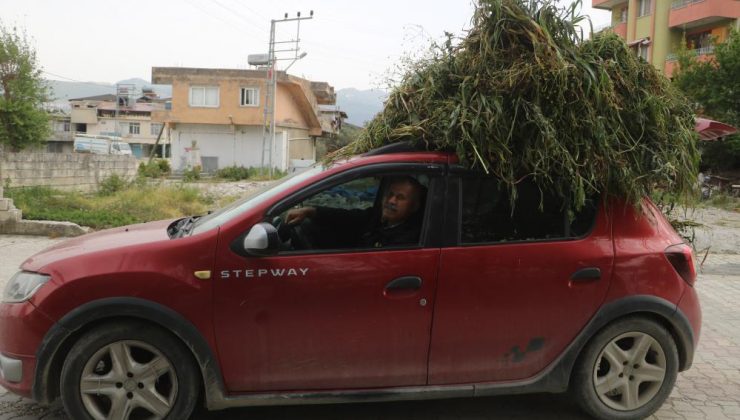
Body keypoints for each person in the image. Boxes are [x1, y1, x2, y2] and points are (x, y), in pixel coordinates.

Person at [285, 176, 426, 248]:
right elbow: (348, 217)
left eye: (400, 198)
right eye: (390, 194)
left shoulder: (410, 240)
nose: (392, 201)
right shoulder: (378, 218)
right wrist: (312, 211)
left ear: (414, 207)